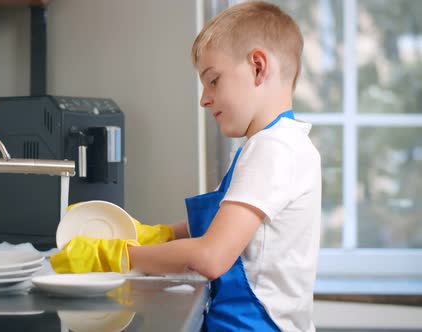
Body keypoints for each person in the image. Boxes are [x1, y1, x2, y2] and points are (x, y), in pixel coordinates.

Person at [51, 1, 321, 331]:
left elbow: (211, 257)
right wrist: (157, 235)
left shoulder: (273, 148)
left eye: (213, 80)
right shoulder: (277, 144)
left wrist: (117, 256)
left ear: (258, 67)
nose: (204, 99)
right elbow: (227, 226)